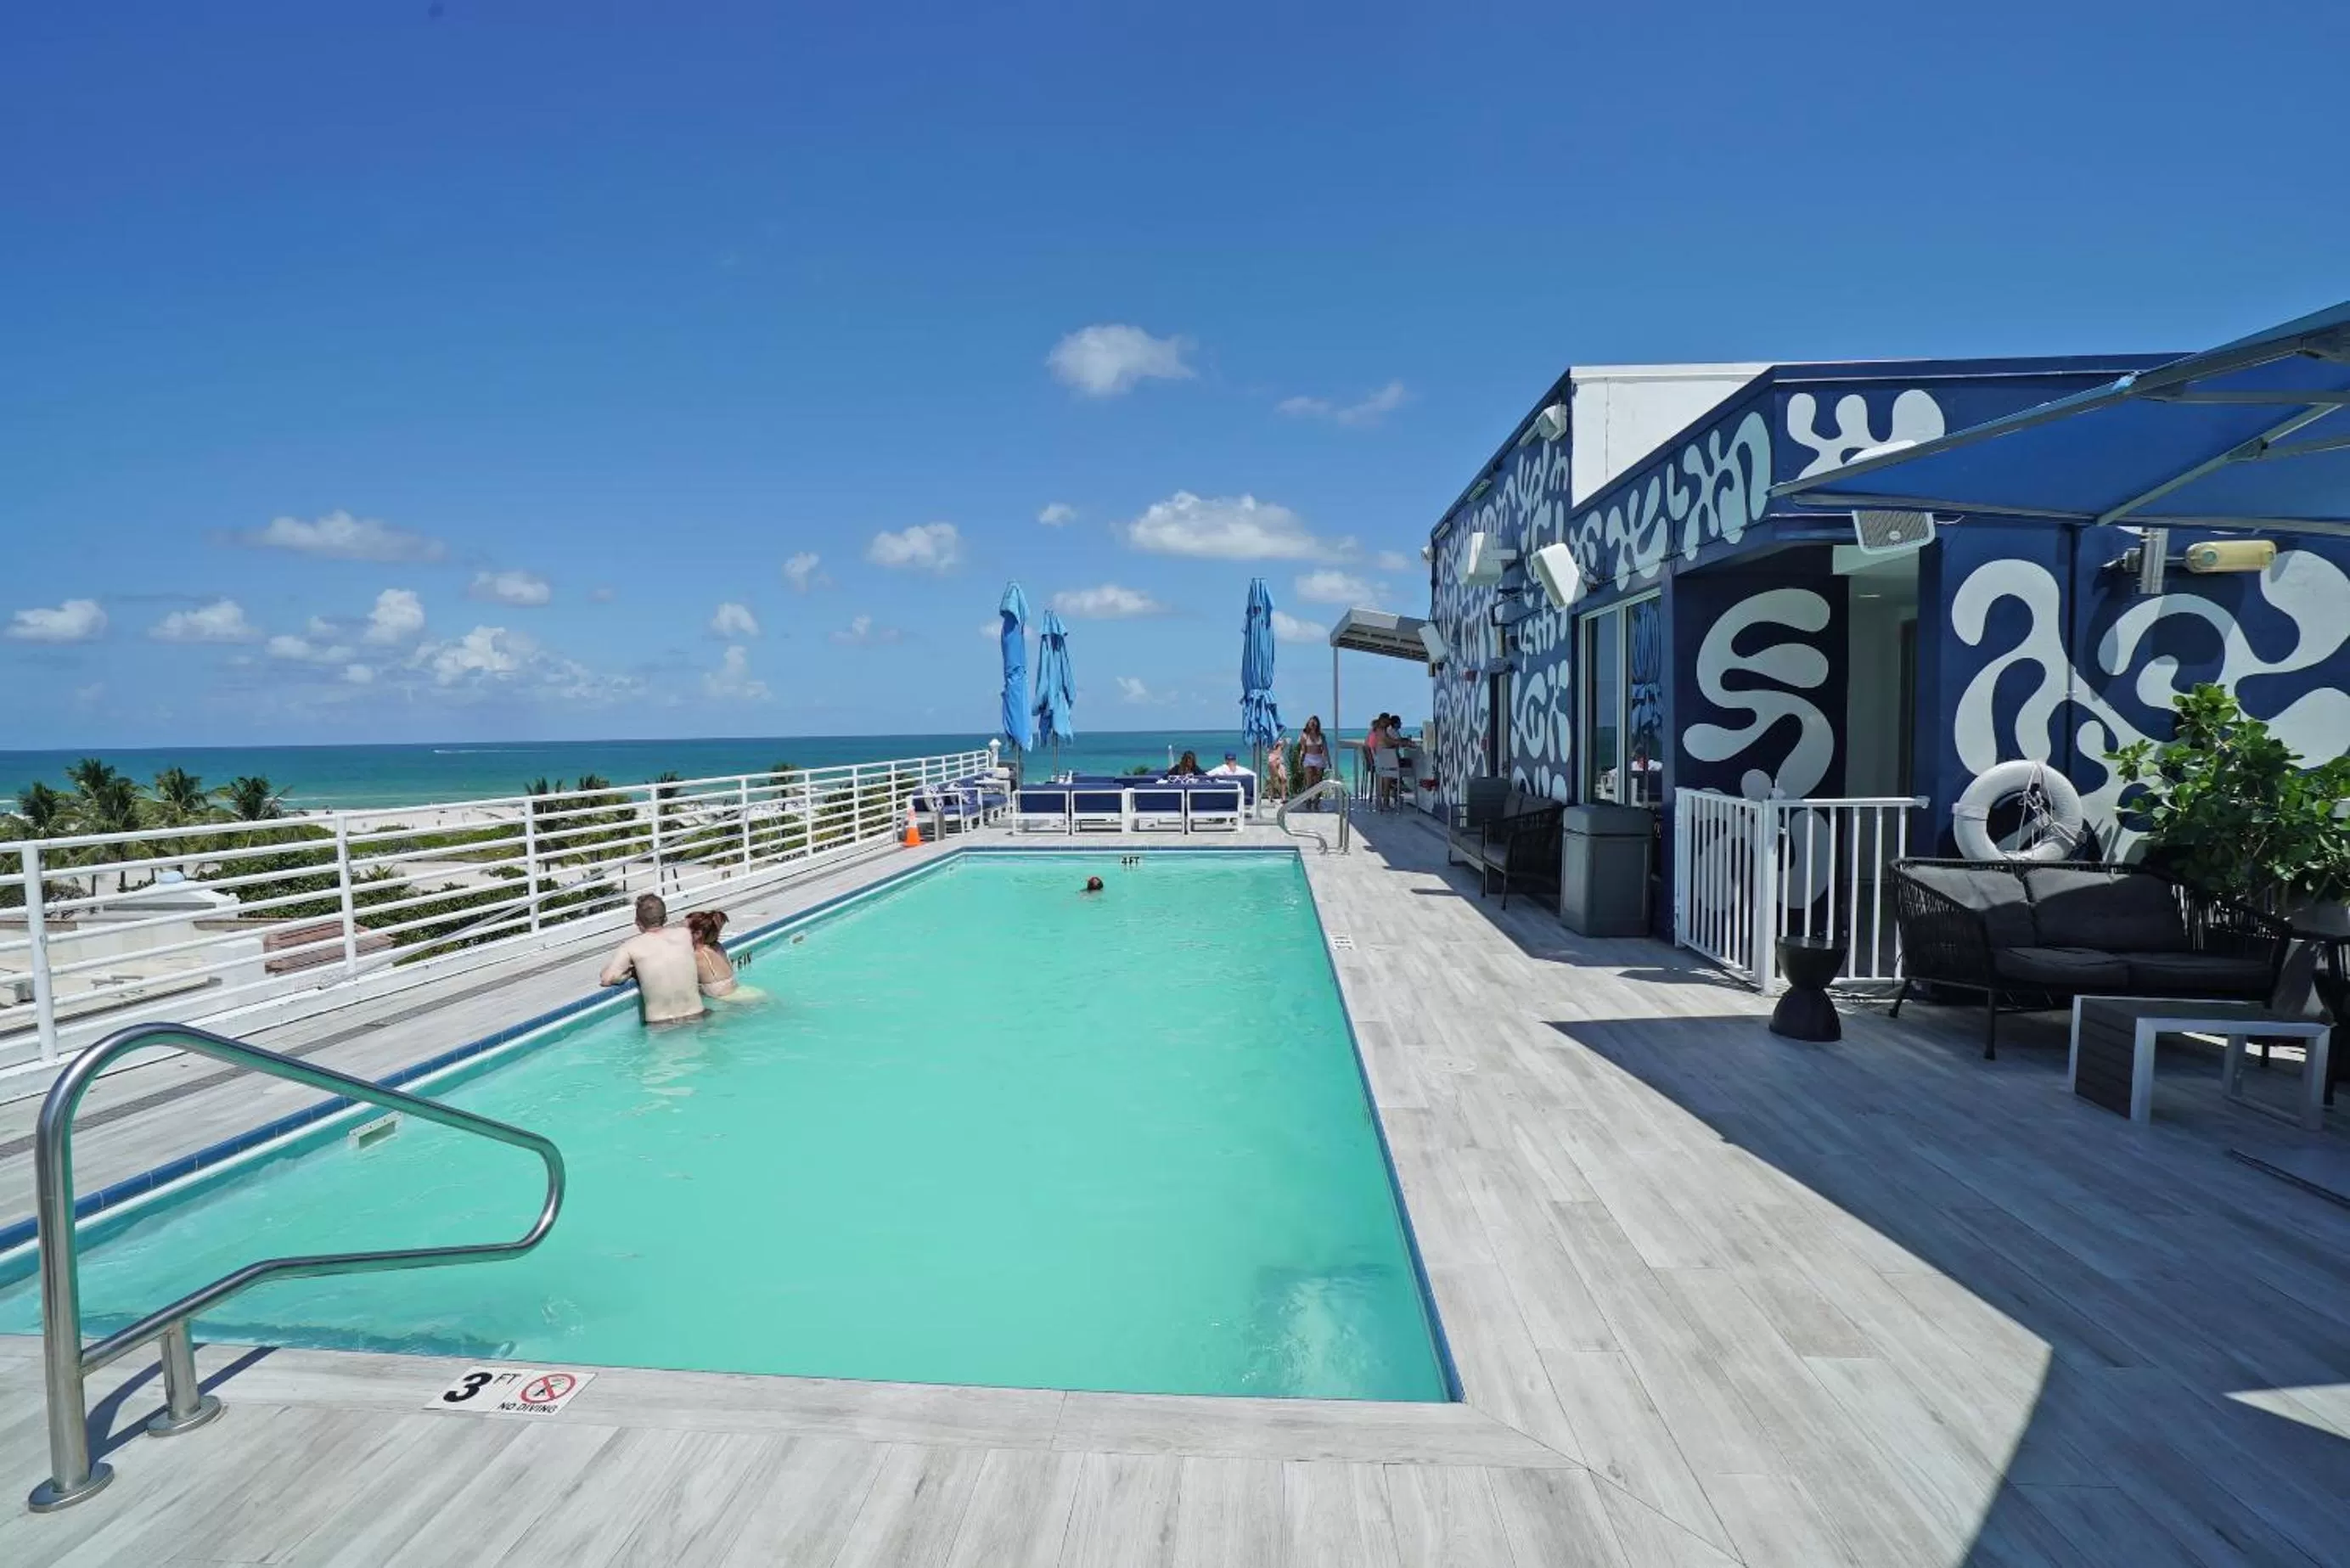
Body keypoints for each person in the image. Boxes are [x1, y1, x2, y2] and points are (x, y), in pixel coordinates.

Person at [599, 893, 704, 1024]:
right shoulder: (685, 935)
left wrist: (630, 973)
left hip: (661, 1025)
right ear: (665, 919)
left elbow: (607, 979)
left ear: (637, 922)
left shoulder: (631, 947)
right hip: (697, 1015)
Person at [1298, 717, 1330, 804]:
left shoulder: (1321, 735)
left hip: (1319, 758)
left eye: (1314, 723)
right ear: (1308, 724)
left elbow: (1325, 749)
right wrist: (1300, 761)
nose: (1313, 725)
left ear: (1317, 724)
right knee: (1309, 782)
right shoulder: (1304, 735)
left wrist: (1329, 761)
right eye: (1311, 723)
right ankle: (1308, 799)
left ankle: (1316, 801)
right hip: (1308, 759)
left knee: (1318, 782)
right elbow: (1303, 750)